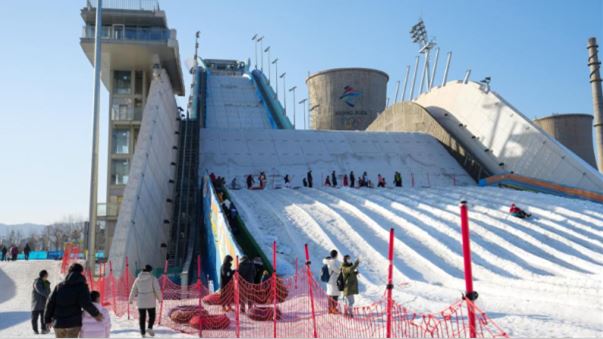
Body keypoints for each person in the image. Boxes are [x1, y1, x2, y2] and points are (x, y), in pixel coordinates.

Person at [45, 263, 102, 338]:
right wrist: (96, 314)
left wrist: (47, 320)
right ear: (81, 273)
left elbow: (50, 303)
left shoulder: (59, 286)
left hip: (58, 323)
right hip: (73, 323)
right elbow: (86, 303)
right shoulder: (82, 286)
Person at [129, 265, 162, 338]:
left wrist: (130, 299)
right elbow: (157, 290)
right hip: (150, 301)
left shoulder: (137, 279)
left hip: (141, 300)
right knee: (152, 315)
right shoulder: (153, 279)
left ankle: (142, 332)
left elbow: (133, 290)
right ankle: (150, 327)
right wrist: (160, 298)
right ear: (150, 271)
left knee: (142, 317)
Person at [322, 250, 341, 314]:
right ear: (336, 255)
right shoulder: (333, 262)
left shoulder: (327, 262)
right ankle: (334, 309)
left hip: (329, 281)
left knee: (330, 295)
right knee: (335, 295)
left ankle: (330, 309)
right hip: (333, 281)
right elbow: (337, 271)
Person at [32, 270, 51, 334]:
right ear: (44, 275)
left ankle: (44, 329)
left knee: (43, 318)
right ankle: (35, 330)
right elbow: (41, 291)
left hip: (43, 303)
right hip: (36, 303)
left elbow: (48, 291)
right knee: (35, 318)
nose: (47, 276)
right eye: (46, 275)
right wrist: (48, 294)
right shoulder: (37, 282)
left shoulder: (46, 282)